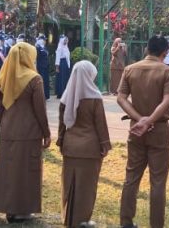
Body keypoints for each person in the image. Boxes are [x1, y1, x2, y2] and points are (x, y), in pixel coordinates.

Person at [117, 35, 169, 228]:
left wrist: (138, 119)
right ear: (165, 52)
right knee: (158, 182)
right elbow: (167, 100)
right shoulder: (168, 72)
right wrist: (149, 120)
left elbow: (121, 98)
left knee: (131, 177)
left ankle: (126, 222)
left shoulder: (130, 69)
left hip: (135, 130)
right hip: (158, 129)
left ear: (146, 49)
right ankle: (156, 224)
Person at [0, 42, 51, 223]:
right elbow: (40, 110)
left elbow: (0, 108)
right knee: (25, 171)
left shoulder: (4, 78)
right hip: (29, 132)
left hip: (9, 130)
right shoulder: (34, 79)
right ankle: (23, 211)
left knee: (9, 170)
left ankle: (9, 209)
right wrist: (46, 132)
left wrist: (4, 125)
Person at [57, 61, 111, 227]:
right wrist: (105, 144)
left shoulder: (66, 97)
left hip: (70, 146)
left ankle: (68, 218)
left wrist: (61, 142)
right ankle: (82, 220)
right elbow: (100, 125)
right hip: (90, 148)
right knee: (86, 187)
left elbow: (61, 125)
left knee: (69, 184)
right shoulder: (94, 97)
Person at [55, 35, 72, 99]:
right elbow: (58, 57)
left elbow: (67, 57)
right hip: (61, 63)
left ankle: (65, 92)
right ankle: (60, 93)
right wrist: (57, 67)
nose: (66, 41)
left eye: (67, 40)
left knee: (65, 78)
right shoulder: (60, 47)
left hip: (65, 64)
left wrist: (68, 65)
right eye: (65, 40)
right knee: (61, 79)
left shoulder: (66, 47)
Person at [36, 34, 50, 100]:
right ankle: (41, 96)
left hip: (45, 66)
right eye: (44, 40)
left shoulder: (44, 47)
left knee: (46, 81)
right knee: (41, 80)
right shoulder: (37, 47)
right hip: (40, 66)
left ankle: (46, 95)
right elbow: (36, 58)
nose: (45, 41)